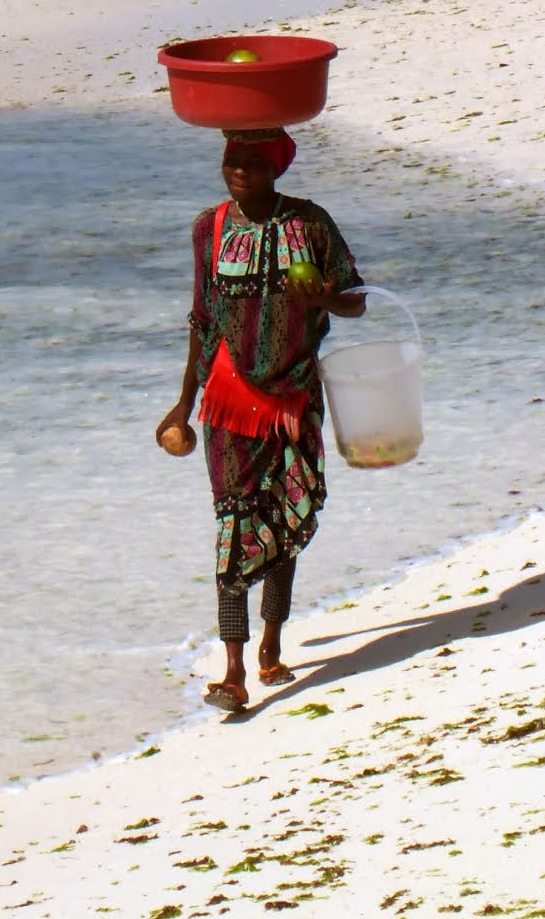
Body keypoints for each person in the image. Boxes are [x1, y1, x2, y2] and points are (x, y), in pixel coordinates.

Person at [157, 129, 365, 714]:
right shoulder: (211, 228)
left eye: (252, 162)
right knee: (233, 522)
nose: (239, 171)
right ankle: (233, 669)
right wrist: (182, 401)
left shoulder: (310, 224)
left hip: (295, 396)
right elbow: (202, 320)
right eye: (232, 160)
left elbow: (357, 299)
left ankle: (272, 642)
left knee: (284, 517)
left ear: (277, 169)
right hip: (227, 398)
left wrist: (322, 298)